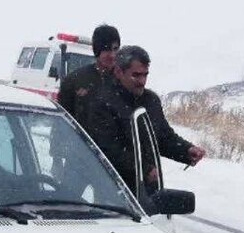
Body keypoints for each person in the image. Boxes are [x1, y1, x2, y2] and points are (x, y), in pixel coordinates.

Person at [86, 45, 207, 195]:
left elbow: (163, 137)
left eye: (145, 75)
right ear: (118, 72)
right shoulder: (102, 102)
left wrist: (186, 151)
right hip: (112, 191)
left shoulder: (151, 101)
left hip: (148, 192)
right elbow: (107, 150)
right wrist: (144, 170)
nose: (142, 81)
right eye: (136, 75)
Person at [57, 23, 121, 132]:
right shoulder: (75, 81)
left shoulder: (123, 81)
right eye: (106, 50)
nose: (112, 55)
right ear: (97, 50)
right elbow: (61, 125)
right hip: (82, 146)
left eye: (115, 49)